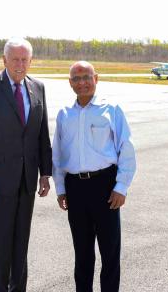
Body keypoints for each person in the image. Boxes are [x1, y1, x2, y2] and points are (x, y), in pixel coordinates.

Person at [0, 37, 52, 292]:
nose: (20, 64)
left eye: (24, 59)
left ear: (31, 61)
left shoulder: (38, 87)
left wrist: (45, 173)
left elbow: (41, 135)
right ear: (4, 60)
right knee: (0, 243)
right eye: (15, 59)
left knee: (21, 244)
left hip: (27, 183)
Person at [52, 61, 136, 292]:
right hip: (75, 189)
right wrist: (60, 189)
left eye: (86, 77)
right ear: (70, 84)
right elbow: (58, 154)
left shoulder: (111, 110)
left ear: (96, 79)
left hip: (105, 186)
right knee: (82, 252)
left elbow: (126, 148)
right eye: (76, 79)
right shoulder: (64, 115)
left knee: (110, 252)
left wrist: (121, 186)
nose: (82, 83)